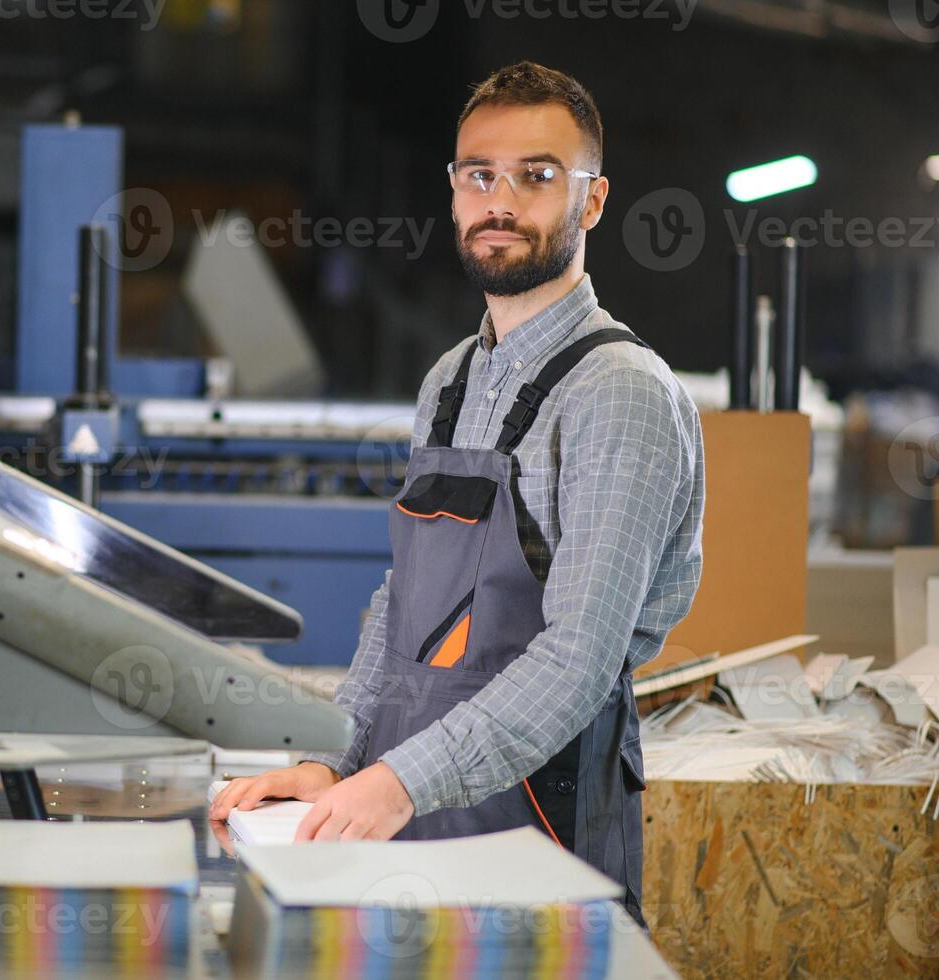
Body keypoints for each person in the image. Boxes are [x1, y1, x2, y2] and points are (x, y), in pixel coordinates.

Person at [209, 61, 705, 923]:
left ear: (591, 201)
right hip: (408, 822)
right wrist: (335, 758)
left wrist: (397, 783)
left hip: (534, 834)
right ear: (452, 193)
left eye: (536, 176)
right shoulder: (449, 381)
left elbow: (577, 660)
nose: (500, 200)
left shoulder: (617, 392)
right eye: (480, 175)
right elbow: (405, 604)